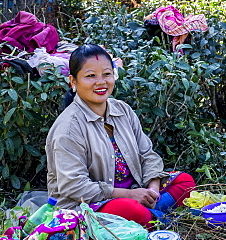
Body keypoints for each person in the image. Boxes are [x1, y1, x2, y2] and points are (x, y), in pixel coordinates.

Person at [45, 44, 195, 226]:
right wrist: (130, 195)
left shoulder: (122, 109)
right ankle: (152, 218)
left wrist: (153, 189)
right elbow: (74, 186)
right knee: (132, 211)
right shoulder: (68, 128)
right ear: (73, 82)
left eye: (106, 74)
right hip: (92, 204)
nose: (101, 82)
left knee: (184, 181)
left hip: (137, 191)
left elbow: (147, 154)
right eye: (91, 76)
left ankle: (151, 216)